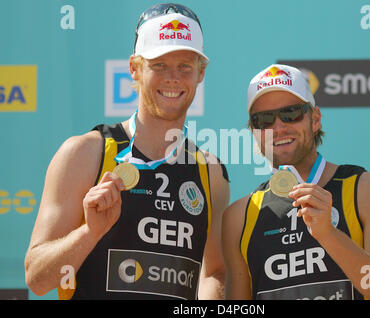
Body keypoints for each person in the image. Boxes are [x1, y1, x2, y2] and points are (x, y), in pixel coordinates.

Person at [25, 3, 230, 300]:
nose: (173, 77)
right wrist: (90, 233)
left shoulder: (211, 172)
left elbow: (214, 272)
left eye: (185, 66)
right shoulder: (85, 153)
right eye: (159, 64)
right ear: (134, 68)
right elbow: (37, 279)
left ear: (201, 73)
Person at [222, 64, 370, 300]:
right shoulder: (240, 216)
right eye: (264, 120)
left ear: (316, 119)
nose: (278, 127)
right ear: (253, 131)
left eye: (291, 113)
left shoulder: (367, 189)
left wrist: (329, 235)